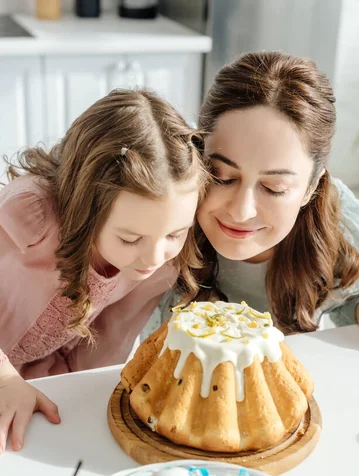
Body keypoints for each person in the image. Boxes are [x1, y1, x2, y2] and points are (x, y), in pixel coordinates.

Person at [0, 88, 206, 453]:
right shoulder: (31, 216)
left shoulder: (160, 263)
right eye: (129, 239)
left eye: (175, 233)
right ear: (85, 207)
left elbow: (105, 344)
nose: (152, 256)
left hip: (33, 385)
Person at [181, 51, 359, 345]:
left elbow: (351, 293)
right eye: (222, 176)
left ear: (311, 187)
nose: (241, 211)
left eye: (274, 188)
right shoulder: (164, 210)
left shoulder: (345, 232)